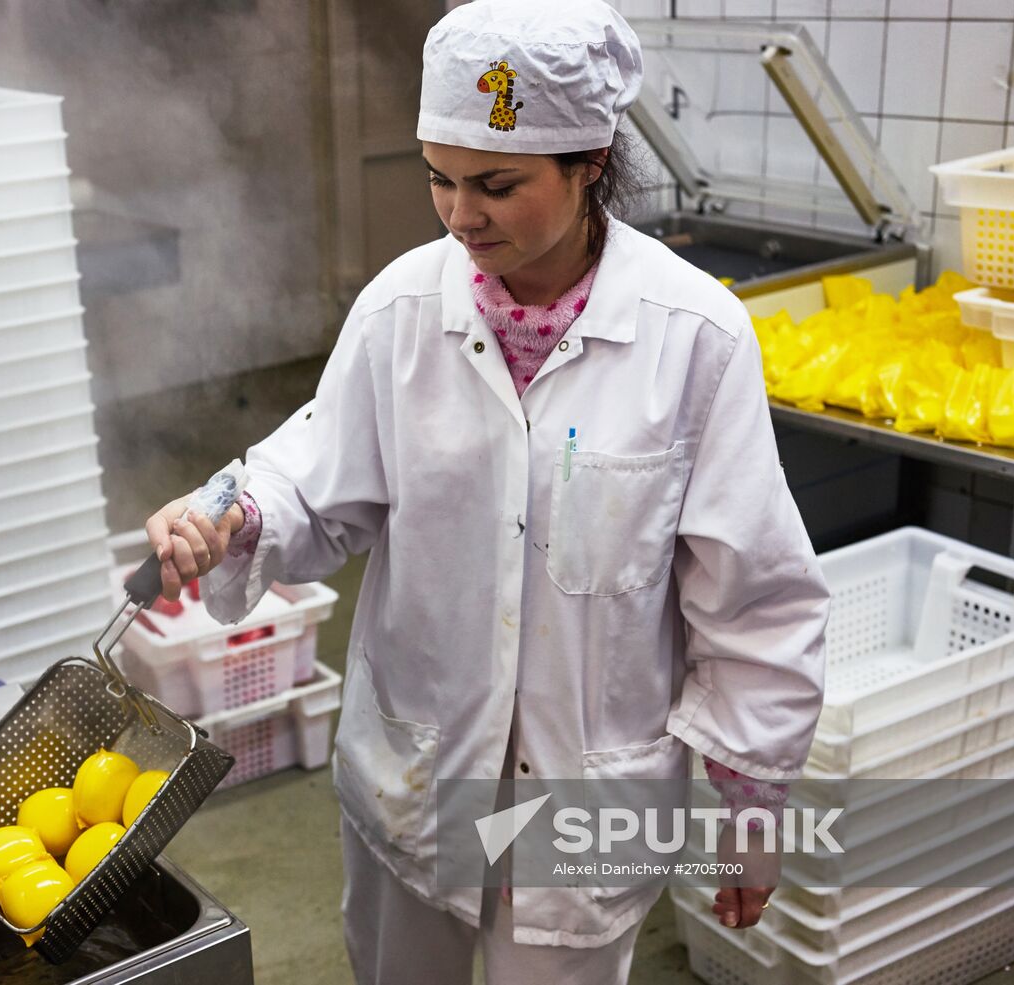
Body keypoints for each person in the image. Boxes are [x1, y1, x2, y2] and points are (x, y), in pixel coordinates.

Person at [145, 1, 828, 982]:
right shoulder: (399, 312)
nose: (460, 214)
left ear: (589, 160)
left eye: (497, 185)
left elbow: (752, 595)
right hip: (420, 769)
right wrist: (230, 516)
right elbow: (315, 478)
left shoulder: (693, 336)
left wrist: (752, 807)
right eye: (440, 177)